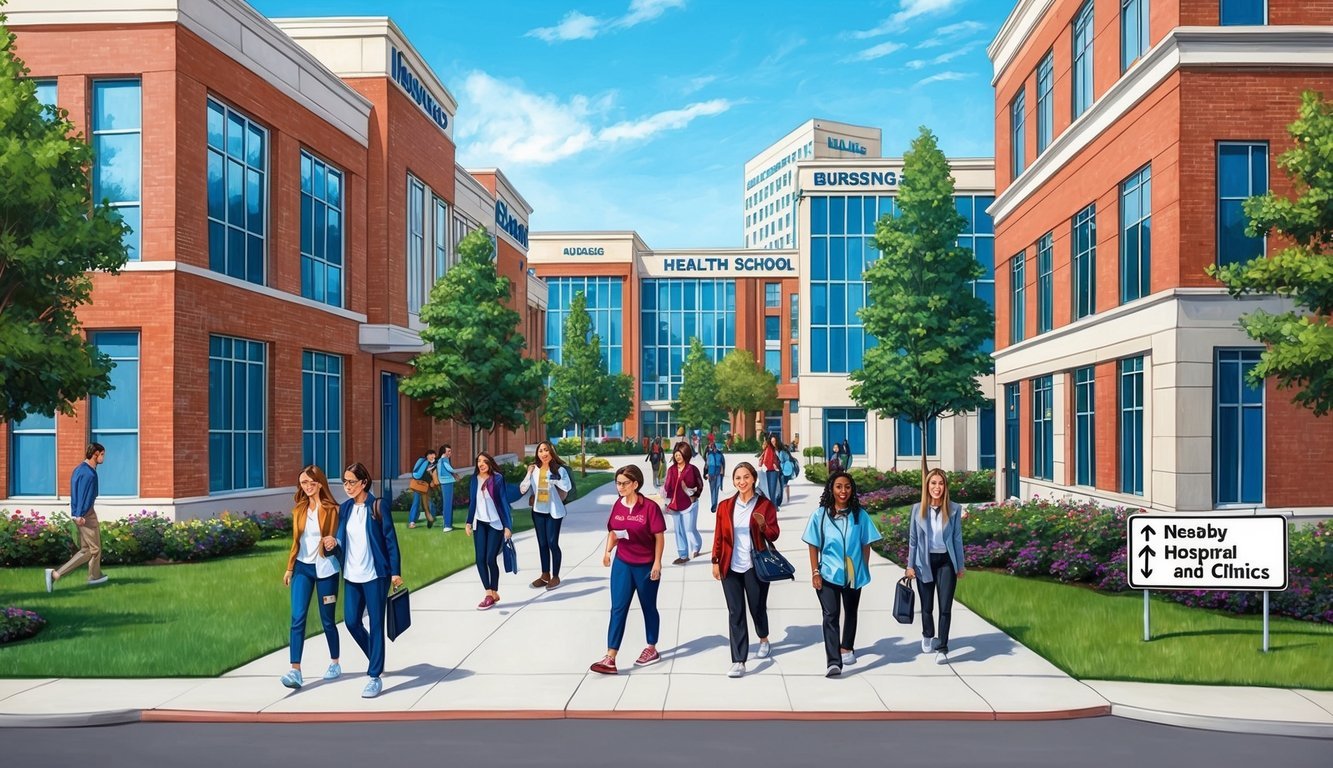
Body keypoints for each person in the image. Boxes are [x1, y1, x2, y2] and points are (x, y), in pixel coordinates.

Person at [802, 470, 882, 677]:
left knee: (851, 611)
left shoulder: (860, 515)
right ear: (831, 489)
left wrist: (863, 566)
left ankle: (847, 646)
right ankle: (833, 662)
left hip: (853, 574)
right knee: (831, 615)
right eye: (838, 486)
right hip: (828, 572)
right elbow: (813, 544)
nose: (843, 491)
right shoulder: (820, 516)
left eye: (847, 486)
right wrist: (815, 572)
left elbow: (866, 543)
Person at [335, 462, 403, 698]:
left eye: (352, 482)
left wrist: (395, 571)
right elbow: (341, 539)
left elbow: (390, 540)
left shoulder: (378, 506)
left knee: (376, 623)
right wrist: (333, 545)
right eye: (344, 482)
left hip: (376, 575)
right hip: (352, 575)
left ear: (364, 482)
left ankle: (374, 675)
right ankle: (376, 656)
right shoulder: (344, 509)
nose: (347, 486)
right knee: (351, 621)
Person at [590, 465, 666, 675]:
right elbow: (614, 532)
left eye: (624, 483)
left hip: (645, 565)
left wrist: (657, 563)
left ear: (635, 484)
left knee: (648, 606)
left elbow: (659, 537)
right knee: (618, 608)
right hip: (622, 563)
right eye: (618, 483)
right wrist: (607, 552)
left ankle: (651, 647)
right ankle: (610, 657)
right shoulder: (617, 505)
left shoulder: (650, 507)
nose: (620, 487)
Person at [711, 462, 779, 678]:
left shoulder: (765, 505)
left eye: (746, 477)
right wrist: (715, 560)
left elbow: (774, 534)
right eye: (738, 478)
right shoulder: (724, 506)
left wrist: (763, 526)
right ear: (733, 481)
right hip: (729, 565)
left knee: (757, 607)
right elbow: (719, 536)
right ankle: (739, 660)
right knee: (735, 612)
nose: (742, 482)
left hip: (755, 565)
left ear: (754, 479)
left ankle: (763, 637)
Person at [280, 465, 342, 689]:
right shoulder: (299, 509)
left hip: (326, 570)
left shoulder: (332, 509)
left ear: (320, 483)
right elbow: (296, 542)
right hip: (302, 569)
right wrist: (289, 568)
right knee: (297, 618)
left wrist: (333, 543)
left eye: (311, 482)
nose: (307, 487)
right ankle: (295, 670)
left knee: (327, 620)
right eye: (303, 483)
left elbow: (338, 539)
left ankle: (335, 662)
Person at [906, 468, 967, 664]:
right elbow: (913, 541)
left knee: (945, 607)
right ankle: (928, 633)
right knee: (926, 606)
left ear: (945, 486)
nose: (937, 487)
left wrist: (960, 565)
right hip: (924, 562)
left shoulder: (954, 509)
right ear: (927, 486)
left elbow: (957, 539)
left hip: (946, 562)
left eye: (940, 483)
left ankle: (942, 646)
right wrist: (909, 565)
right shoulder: (917, 509)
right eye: (933, 483)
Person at [45, 443, 108, 592]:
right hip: (87, 514)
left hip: (83, 512)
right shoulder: (89, 474)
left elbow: (75, 493)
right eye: (103, 455)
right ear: (95, 454)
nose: (104, 458)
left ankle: (95, 576)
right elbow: (83, 496)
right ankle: (56, 574)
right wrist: (80, 514)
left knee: (89, 549)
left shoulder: (80, 469)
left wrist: (75, 513)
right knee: (93, 549)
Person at [520, 440, 573, 590]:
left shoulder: (559, 470)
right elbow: (523, 489)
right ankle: (545, 575)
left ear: (551, 452)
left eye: (546, 450)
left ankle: (555, 576)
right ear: (537, 454)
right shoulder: (534, 470)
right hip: (538, 511)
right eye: (540, 451)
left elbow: (567, 486)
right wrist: (528, 472)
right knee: (542, 544)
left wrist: (554, 479)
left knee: (552, 543)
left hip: (553, 511)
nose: (543, 453)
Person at [466, 452, 514, 610]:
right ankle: (488, 593)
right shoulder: (474, 480)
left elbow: (503, 502)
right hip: (479, 524)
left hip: (495, 524)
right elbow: (473, 502)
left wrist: (507, 526)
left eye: (484, 461)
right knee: (480, 559)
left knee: (490, 559)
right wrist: (468, 522)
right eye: (479, 461)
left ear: (490, 463)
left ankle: (494, 591)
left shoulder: (497, 479)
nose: (481, 464)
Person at [662, 441, 704, 564]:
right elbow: (667, 486)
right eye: (676, 454)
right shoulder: (671, 470)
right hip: (675, 505)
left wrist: (694, 496)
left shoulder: (692, 469)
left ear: (686, 455)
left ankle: (696, 545)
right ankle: (683, 554)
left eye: (680, 454)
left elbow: (700, 484)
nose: (677, 456)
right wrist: (667, 500)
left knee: (689, 529)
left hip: (690, 504)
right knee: (679, 530)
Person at [407, 448, 437, 529]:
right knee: (419, 502)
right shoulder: (425, 463)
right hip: (421, 485)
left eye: (434, 456)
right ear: (427, 455)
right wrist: (430, 480)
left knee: (426, 502)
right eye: (431, 456)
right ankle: (413, 521)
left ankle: (414, 521)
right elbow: (421, 474)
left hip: (422, 485)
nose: (433, 458)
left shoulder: (429, 463)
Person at [435, 443, 460, 531]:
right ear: (444, 452)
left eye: (450, 451)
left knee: (446, 503)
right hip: (447, 482)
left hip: (444, 482)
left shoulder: (439, 460)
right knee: (448, 504)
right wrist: (456, 474)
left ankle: (447, 524)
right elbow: (448, 468)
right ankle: (447, 525)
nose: (450, 453)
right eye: (448, 451)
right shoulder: (444, 459)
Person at [758, 435, 782, 508]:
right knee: (772, 492)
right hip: (772, 471)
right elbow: (766, 461)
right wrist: (773, 466)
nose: (773, 443)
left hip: (773, 471)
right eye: (772, 441)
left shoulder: (773, 449)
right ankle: (773, 508)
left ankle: (773, 507)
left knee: (774, 491)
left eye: (774, 441)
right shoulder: (770, 449)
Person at [703, 441, 727, 514]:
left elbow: (723, 464)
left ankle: (714, 504)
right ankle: (714, 505)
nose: (714, 448)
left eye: (714, 447)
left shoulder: (720, 455)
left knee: (716, 489)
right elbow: (706, 465)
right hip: (711, 474)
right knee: (713, 490)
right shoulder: (709, 455)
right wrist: (705, 474)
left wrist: (722, 473)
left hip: (718, 474)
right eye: (712, 447)